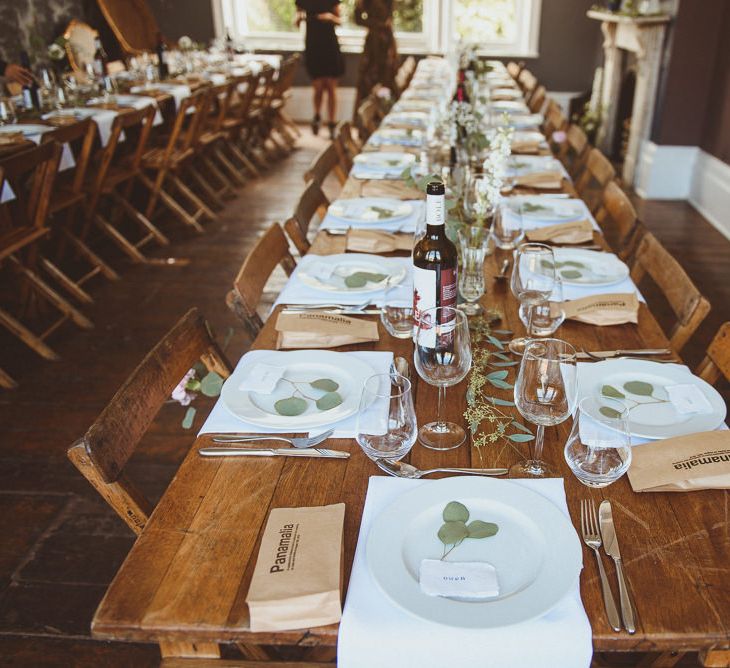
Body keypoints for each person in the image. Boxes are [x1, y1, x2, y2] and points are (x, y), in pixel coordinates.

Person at [295, 0, 345, 138]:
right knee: (318, 86)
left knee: (331, 87)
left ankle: (332, 123)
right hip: (313, 44)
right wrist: (299, 18)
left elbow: (340, 21)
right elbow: (296, 22)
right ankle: (317, 116)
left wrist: (330, 17)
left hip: (329, 44)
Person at [353, 0, 398, 117]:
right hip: (373, 43)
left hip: (385, 40)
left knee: (387, 76)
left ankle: (386, 116)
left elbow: (389, 16)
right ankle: (364, 121)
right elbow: (357, 19)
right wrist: (376, 25)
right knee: (367, 79)